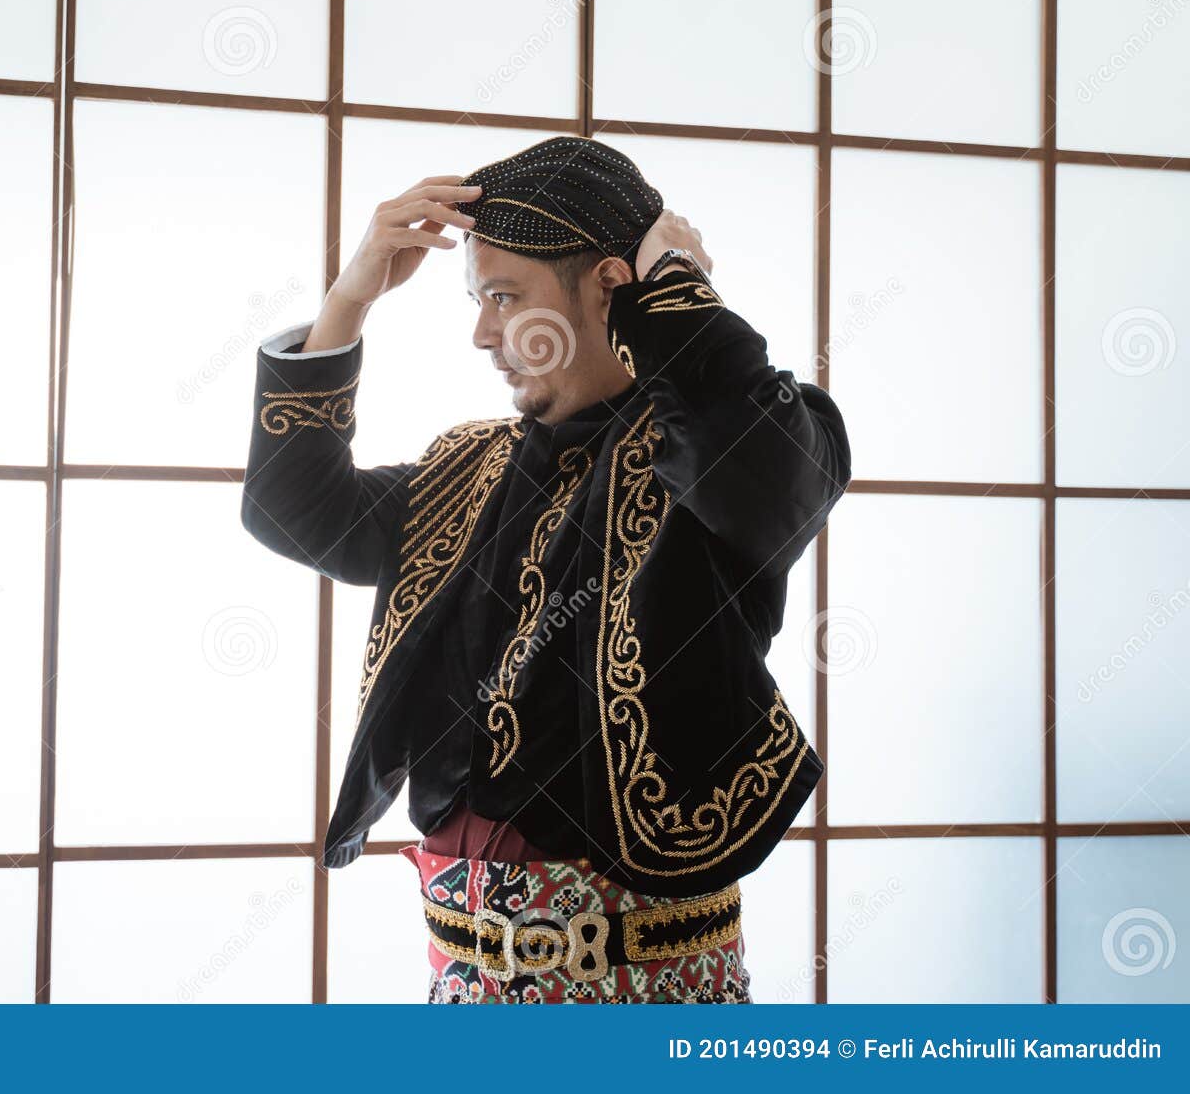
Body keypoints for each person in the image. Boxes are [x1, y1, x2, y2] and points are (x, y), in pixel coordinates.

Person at [240, 135, 852, 1002]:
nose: (484, 333)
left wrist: (672, 285)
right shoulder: (467, 466)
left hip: (652, 995)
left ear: (609, 285)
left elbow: (759, 476)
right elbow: (294, 510)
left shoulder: (736, 447)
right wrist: (351, 296)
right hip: (463, 993)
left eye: (503, 297)